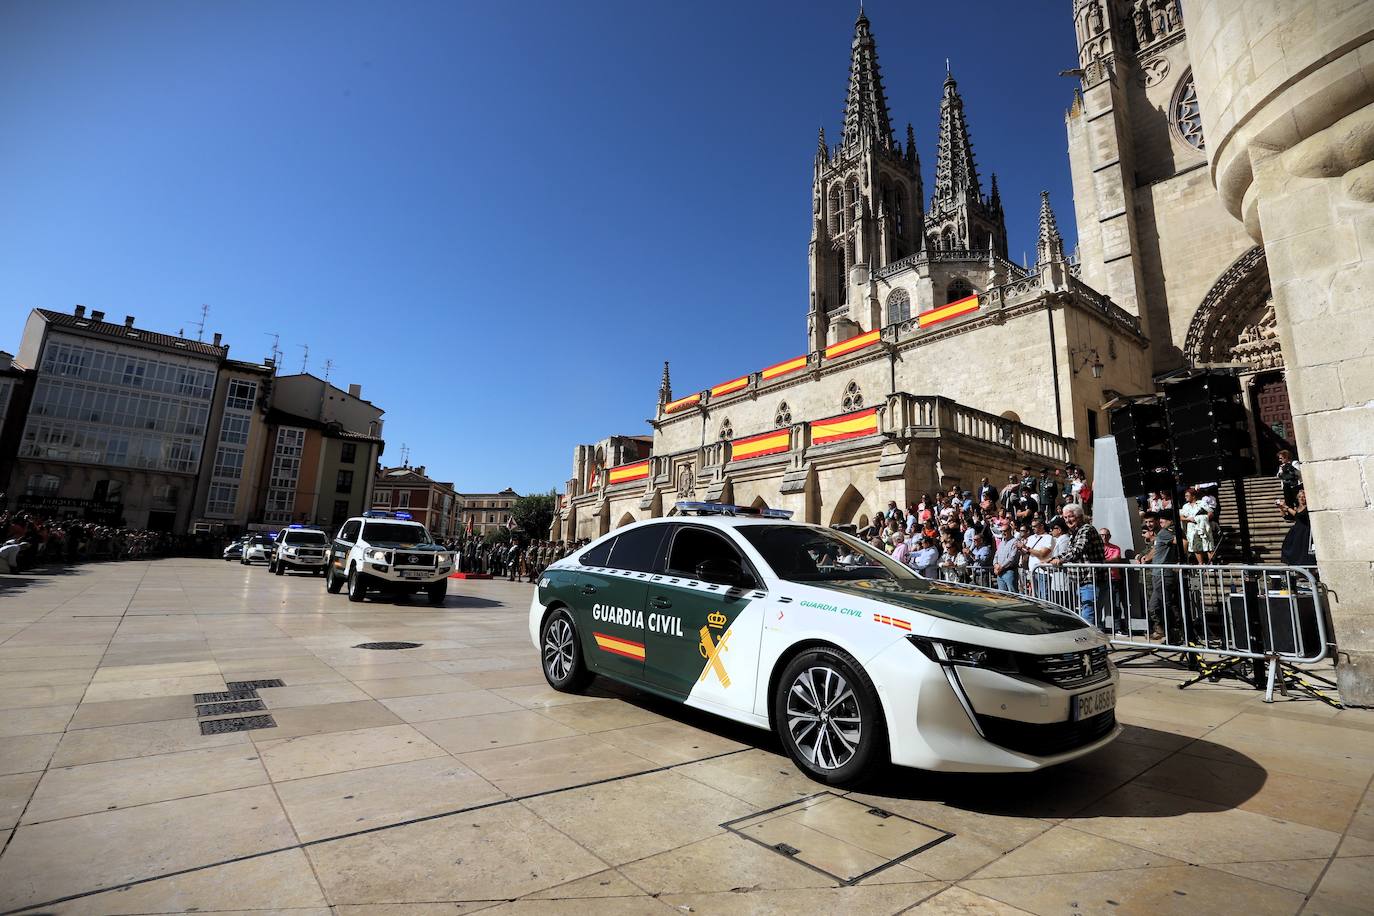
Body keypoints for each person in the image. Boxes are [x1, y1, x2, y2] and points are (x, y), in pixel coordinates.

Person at [1049, 505, 1106, 626]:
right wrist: (1055, 558)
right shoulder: (1075, 532)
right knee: (1089, 613)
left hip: (1091, 579)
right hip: (1082, 581)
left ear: (1079, 517)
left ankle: (1091, 643)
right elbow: (1070, 551)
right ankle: (1096, 643)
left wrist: (1061, 560)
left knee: (1089, 614)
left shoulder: (1086, 529)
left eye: (1071, 516)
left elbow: (1078, 549)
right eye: (1065, 517)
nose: (1067, 520)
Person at [1135, 511, 1178, 640]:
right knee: (1155, 605)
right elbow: (1152, 549)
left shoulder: (1164, 532)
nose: (1149, 525)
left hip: (1162, 573)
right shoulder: (1158, 534)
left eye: (1151, 522)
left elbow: (1180, 543)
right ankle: (1162, 629)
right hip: (1153, 574)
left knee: (1165, 604)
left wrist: (1147, 557)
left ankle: (1174, 631)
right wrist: (1142, 555)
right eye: (1146, 522)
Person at [1179, 487, 1215, 565]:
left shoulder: (1202, 503)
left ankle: (1212, 564)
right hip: (1192, 528)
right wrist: (1188, 519)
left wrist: (1202, 518)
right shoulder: (1185, 506)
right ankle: (1200, 564)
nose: (1185, 497)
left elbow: (1210, 513)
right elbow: (1181, 517)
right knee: (1196, 547)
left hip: (1203, 527)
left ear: (1193, 496)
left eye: (1187, 495)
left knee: (1208, 545)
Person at [1023, 517, 1055, 599]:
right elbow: (1027, 553)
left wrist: (1027, 548)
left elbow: (1042, 554)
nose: (1033, 528)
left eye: (1035, 526)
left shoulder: (1048, 538)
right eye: (1032, 526)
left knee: (1045, 598)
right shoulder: (1031, 538)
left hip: (1043, 572)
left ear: (1041, 526)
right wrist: (1021, 548)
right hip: (1032, 571)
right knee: (1035, 597)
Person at [993, 521, 1022, 593]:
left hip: (1009, 571)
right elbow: (996, 555)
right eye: (1002, 531)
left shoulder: (1015, 542)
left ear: (1010, 530)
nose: (1003, 533)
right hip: (1000, 573)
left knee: (1012, 593)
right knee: (1002, 595)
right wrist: (995, 565)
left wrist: (1000, 567)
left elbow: (1011, 558)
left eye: (1005, 531)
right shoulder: (1001, 542)